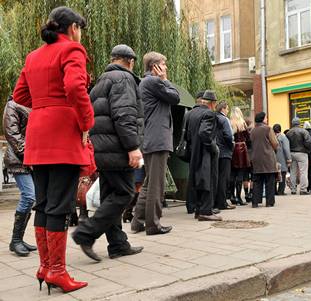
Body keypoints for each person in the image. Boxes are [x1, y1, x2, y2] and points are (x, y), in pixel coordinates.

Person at [13, 6, 93, 293]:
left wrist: (46, 106)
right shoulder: (72, 49)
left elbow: (20, 95)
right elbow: (74, 86)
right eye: (80, 29)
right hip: (63, 135)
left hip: (38, 134)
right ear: (73, 28)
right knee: (60, 204)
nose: (80, 34)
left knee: (45, 202)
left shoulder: (34, 56)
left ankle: (45, 267)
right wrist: (86, 121)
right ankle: (57, 271)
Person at [72, 44, 144, 262]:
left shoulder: (101, 82)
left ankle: (118, 244)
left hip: (102, 150)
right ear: (130, 62)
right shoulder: (123, 80)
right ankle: (86, 234)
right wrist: (132, 147)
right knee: (124, 193)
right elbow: (124, 116)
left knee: (110, 195)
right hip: (118, 150)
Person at [130, 51, 179, 235]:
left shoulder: (145, 82)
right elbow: (175, 97)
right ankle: (153, 224)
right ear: (155, 67)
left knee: (150, 183)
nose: (166, 68)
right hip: (158, 139)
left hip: (151, 138)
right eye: (163, 64)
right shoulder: (154, 81)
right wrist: (165, 78)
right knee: (156, 185)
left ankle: (137, 222)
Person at [3, 96, 36, 257]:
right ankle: (15, 240)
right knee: (29, 196)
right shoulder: (13, 104)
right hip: (19, 159)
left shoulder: (34, 103)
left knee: (32, 198)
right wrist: (26, 156)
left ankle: (19, 240)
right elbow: (12, 134)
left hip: (33, 159)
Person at [187, 90, 222, 221]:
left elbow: (189, 135)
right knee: (208, 181)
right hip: (205, 153)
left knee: (198, 181)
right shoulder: (209, 113)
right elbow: (204, 133)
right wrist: (214, 147)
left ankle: (198, 210)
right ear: (213, 103)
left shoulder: (192, 113)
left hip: (194, 152)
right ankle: (206, 212)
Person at [250, 112, 278, 207]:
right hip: (268, 158)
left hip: (256, 158)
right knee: (269, 181)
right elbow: (274, 143)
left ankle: (255, 202)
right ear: (263, 119)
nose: (267, 120)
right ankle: (269, 202)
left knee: (257, 181)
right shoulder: (268, 129)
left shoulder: (252, 131)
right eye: (266, 118)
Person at [215, 101, 235, 210]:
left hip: (215, 151)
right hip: (225, 152)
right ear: (223, 109)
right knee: (224, 178)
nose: (228, 111)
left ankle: (215, 201)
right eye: (227, 109)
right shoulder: (224, 119)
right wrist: (231, 146)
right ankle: (222, 203)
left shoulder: (213, 117)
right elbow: (228, 135)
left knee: (216, 177)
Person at [229, 107, 251, 206]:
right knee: (240, 174)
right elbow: (248, 137)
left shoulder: (229, 123)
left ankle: (232, 196)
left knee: (232, 174)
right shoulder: (242, 123)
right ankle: (238, 197)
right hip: (241, 149)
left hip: (233, 149)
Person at [286, 117, 311, 195]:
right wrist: (308, 150)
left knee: (293, 172)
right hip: (302, 153)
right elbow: (308, 142)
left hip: (291, 153)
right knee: (303, 171)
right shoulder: (304, 131)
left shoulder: (288, 133)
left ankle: (293, 189)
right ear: (299, 123)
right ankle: (303, 189)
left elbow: (287, 144)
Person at [273, 124, 291, 195]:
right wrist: (289, 159)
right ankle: (281, 191)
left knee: (274, 175)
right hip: (282, 159)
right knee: (282, 175)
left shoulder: (271, 137)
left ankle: (274, 191)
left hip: (273, 159)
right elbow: (286, 149)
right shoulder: (283, 138)